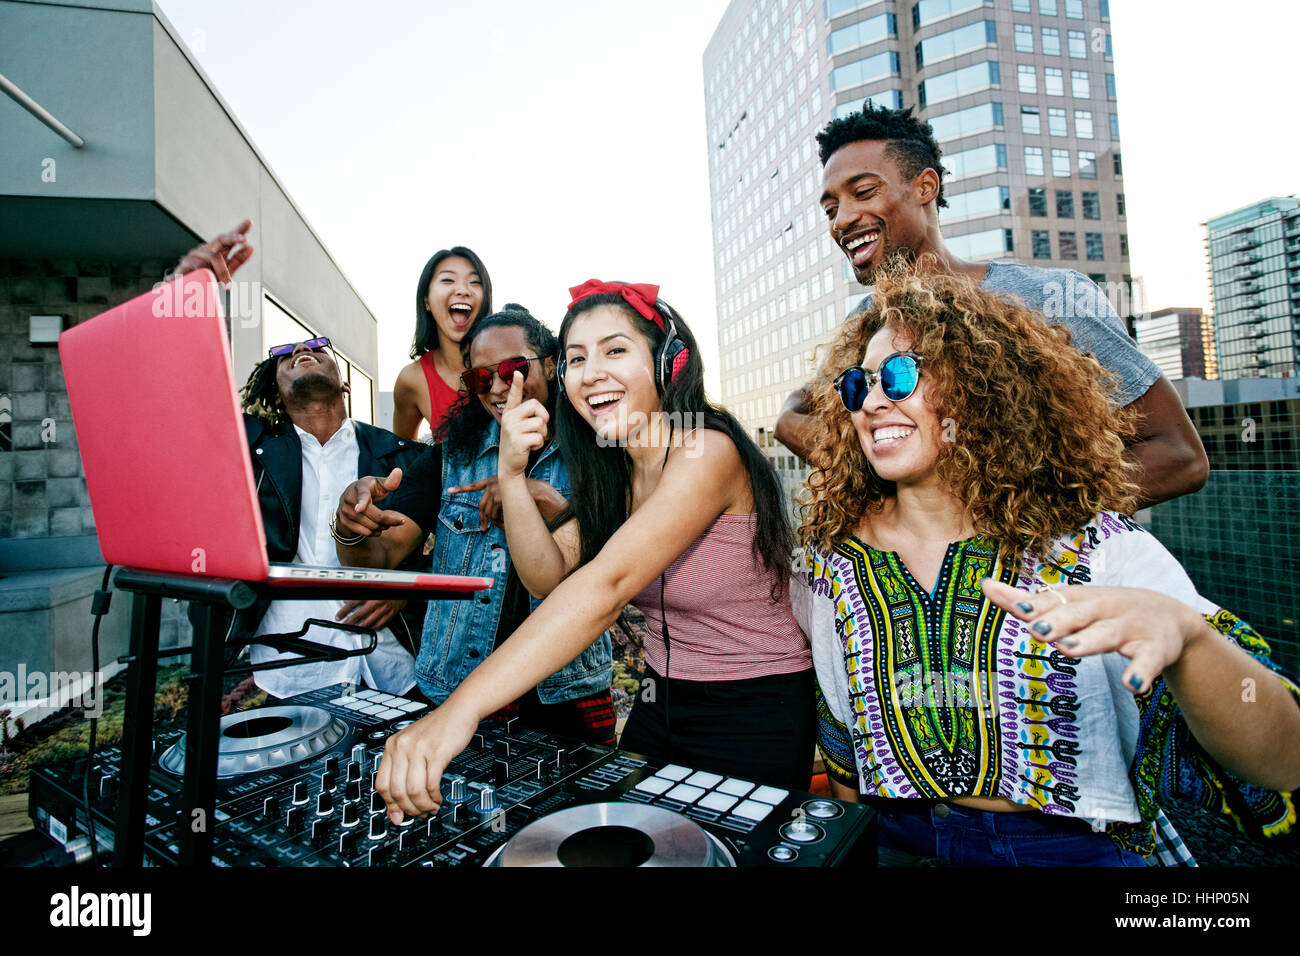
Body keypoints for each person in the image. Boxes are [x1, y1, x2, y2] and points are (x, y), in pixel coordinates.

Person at [792, 267, 1300, 866]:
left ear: (983, 388)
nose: (873, 403)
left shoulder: (1094, 548)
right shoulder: (830, 559)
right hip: (893, 841)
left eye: (901, 375)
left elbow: (1284, 757)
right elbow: (839, 729)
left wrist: (1190, 643)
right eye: (858, 386)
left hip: (1064, 851)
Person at [366, 280, 814, 821]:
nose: (591, 371)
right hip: (660, 698)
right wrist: (510, 472)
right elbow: (545, 577)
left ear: (668, 362)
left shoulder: (705, 450)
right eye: (577, 357)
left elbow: (605, 586)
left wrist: (459, 711)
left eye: (615, 350)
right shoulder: (614, 473)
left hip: (755, 706)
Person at [775, 103, 1207, 509]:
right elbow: (797, 414)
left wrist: (1006, 520)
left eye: (864, 192)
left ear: (926, 187)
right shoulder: (861, 327)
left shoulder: (1050, 298)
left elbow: (1179, 456)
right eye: (831, 209)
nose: (842, 220)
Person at [331, 305, 616, 744]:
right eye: (481, 378)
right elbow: (380, 554)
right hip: (458, 684)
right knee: (462, 812)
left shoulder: (598, 451)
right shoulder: (449, 459)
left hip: (566, 694)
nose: (499, 387)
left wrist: (541, 499)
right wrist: (351, 523)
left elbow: (615, 570)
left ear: (552, 366)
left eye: (514, 368)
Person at [173, 225, 433, 700]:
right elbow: (191, 400)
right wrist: (189, 296)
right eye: (285, 353)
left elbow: (446, 543)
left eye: (316, 347)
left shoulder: (403, 455)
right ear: (274, 386)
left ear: (344, 381)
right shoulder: (248, 446)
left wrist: (404, 588)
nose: (300, 352)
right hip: (288, 667)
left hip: (393, 664)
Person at [392, 247, 493, 439]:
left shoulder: (508, 360)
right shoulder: (411, 379)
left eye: (475, 282)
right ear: (426, 300)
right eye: (448, 280)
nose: (463, 290)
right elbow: (403, 455)